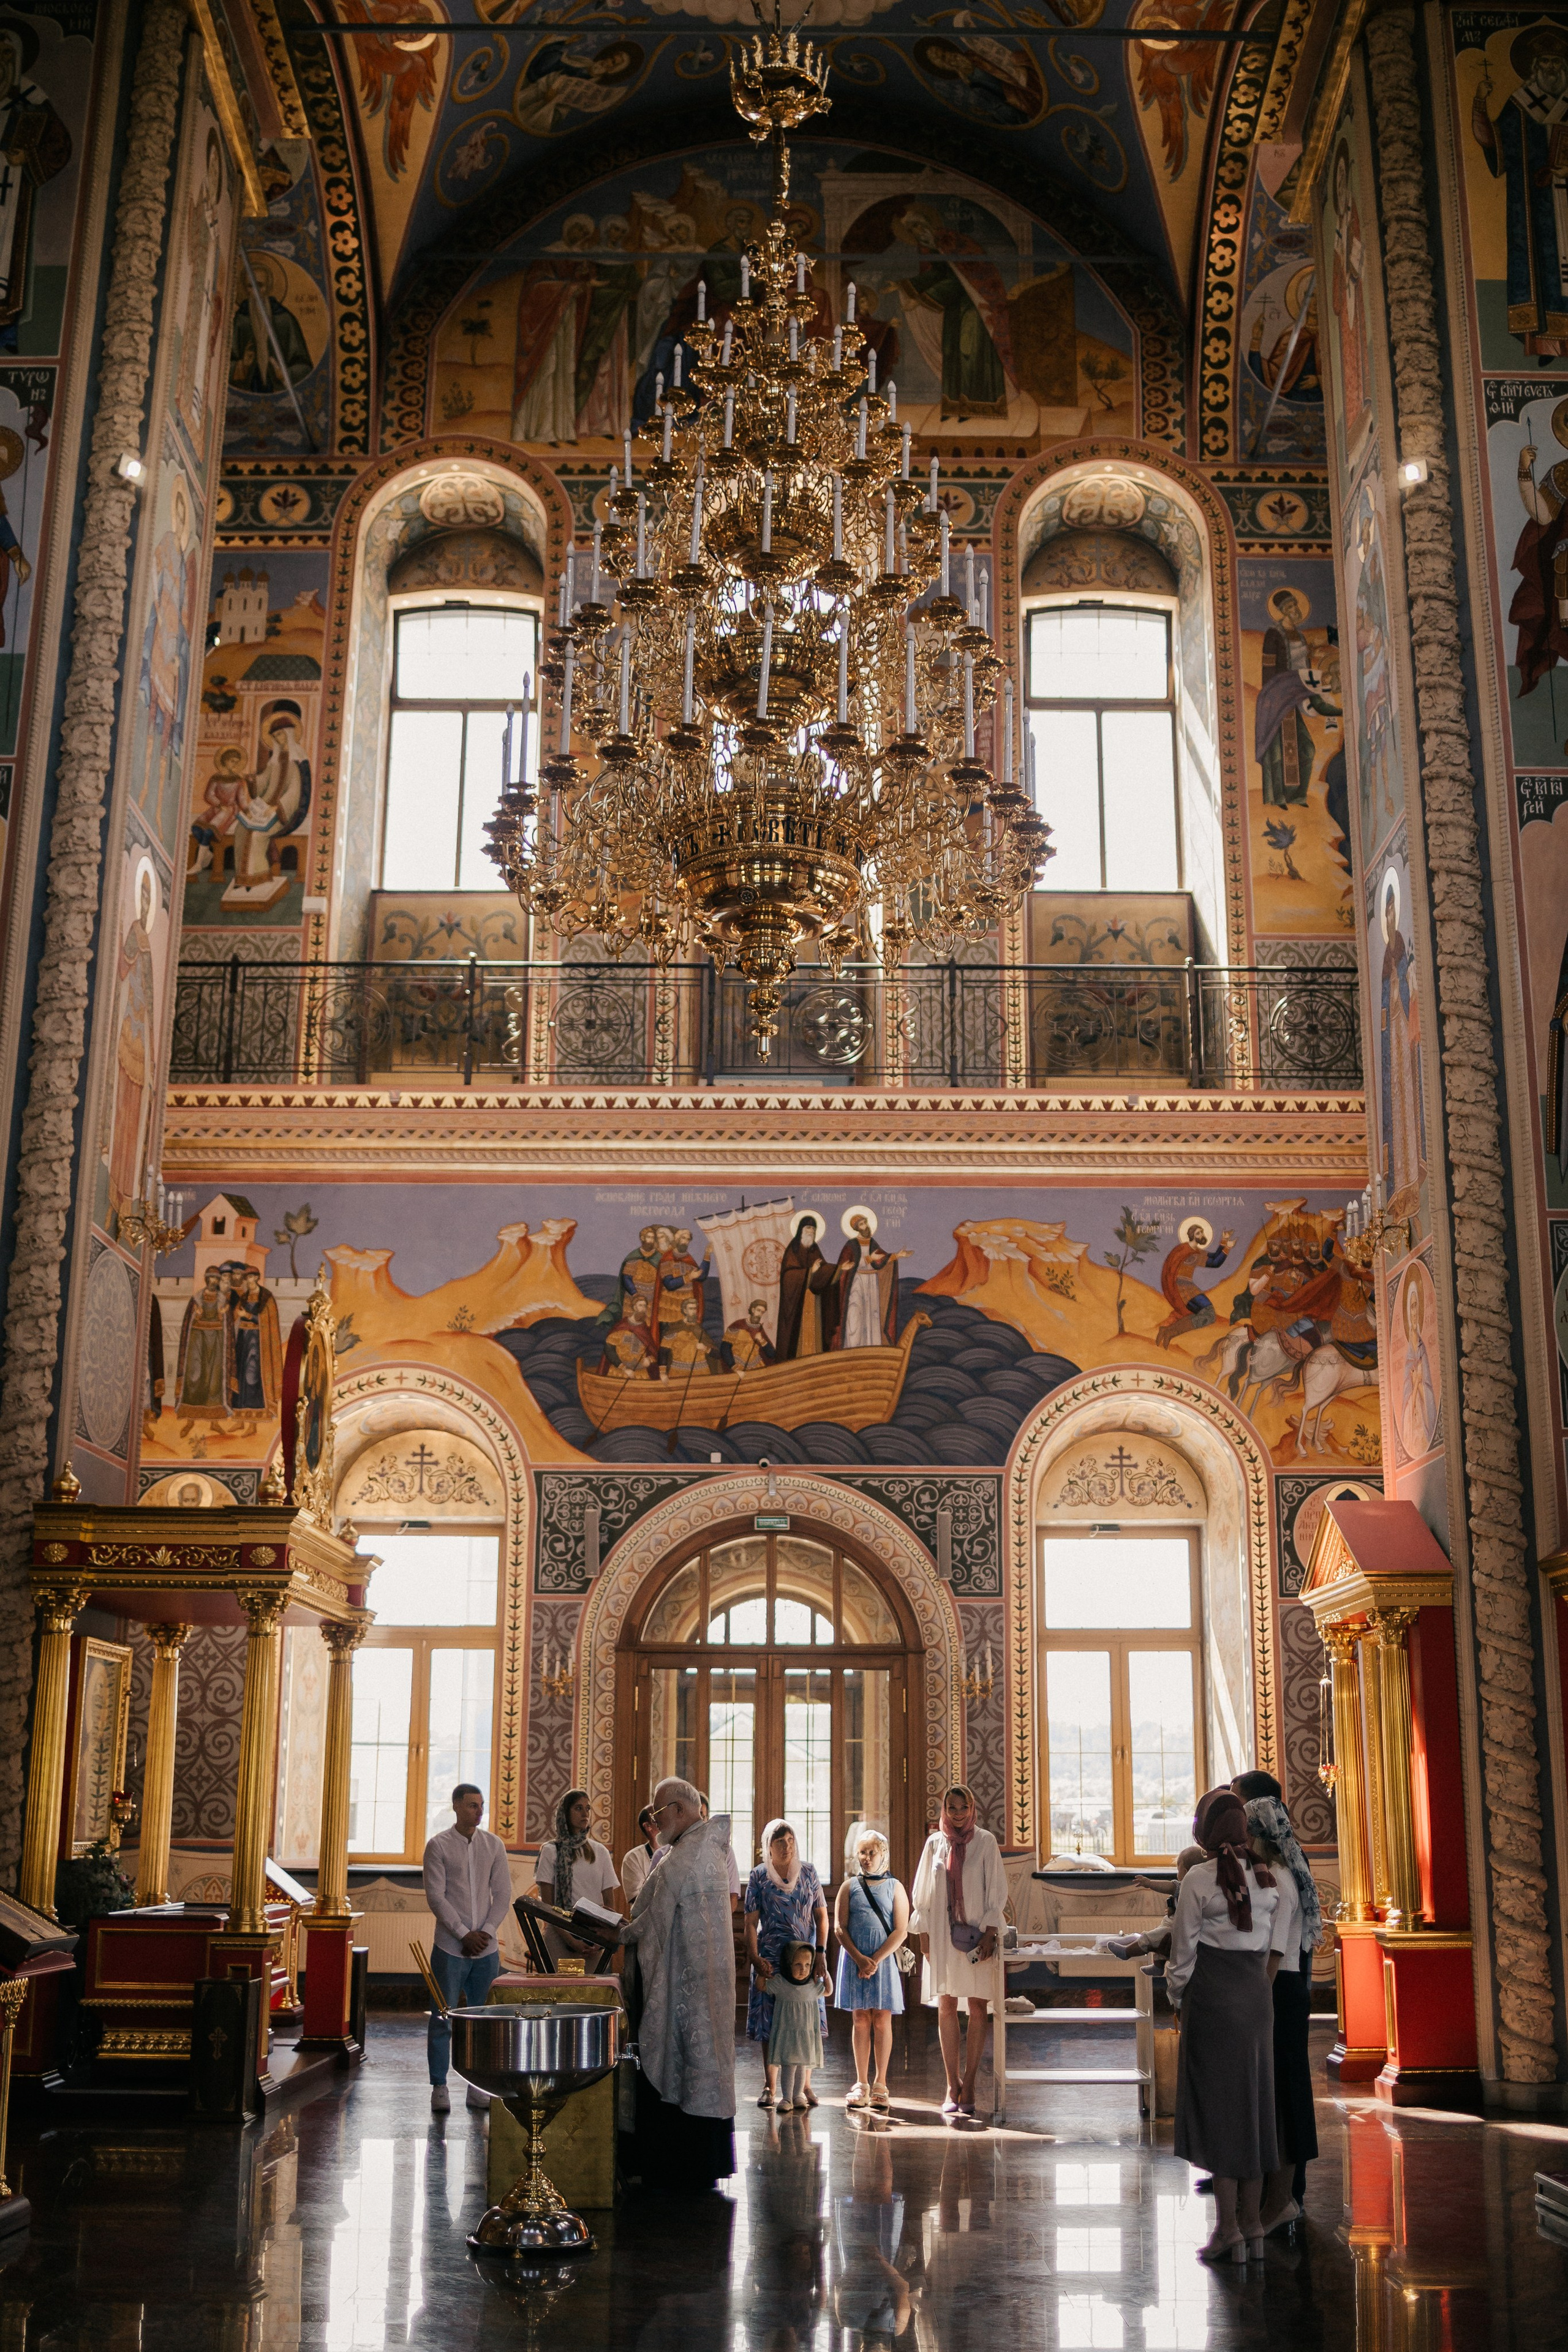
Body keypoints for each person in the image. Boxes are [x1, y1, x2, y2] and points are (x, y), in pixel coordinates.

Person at [1166, 1788, 1296, 2263]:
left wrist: (1178, 1998)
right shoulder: (1267, 1877)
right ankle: (1254, 2224)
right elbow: (1264, 1946)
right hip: (1257, 1999)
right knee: (1257, 2109)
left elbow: (1183, 1956)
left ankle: (1226, 2230)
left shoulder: (1199, 1879)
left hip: (1214, 1998)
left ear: (1203, 1829)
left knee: (1221, 2113)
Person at [622, 1776, 737, 2190]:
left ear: (680, 1810)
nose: (654, 1822)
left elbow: (645, 1922)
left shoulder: (686, 1856)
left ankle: (675, 2166)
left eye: (658, 1812)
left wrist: (618, 1932)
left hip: (685, 1987)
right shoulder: (701, 1849)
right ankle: (702, 2164)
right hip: (706, 1985)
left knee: (680, 2063)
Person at [1235, 1771, 1322, 2230]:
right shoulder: (1275, 1874)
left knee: (1286, 2096)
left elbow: (1274, 1954)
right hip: (1280, 1990)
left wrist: (1253, 2001)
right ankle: (1277, 2194)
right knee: (1276, 2094)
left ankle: (1284, 2198)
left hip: (1281, 1993)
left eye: (1246, 1830)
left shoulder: (1281, 1881)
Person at [909, 1784, 1007, 2119]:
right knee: (947, 2004)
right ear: (945, 1810)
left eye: (963, 1807)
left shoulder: (985, 1842)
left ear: (972, 1807)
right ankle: (952, 2084)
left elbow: (996, 1892)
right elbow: (921, 1894)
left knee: (978, 2006)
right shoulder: (934, 1843)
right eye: (952, 1808)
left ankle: (972, 2082)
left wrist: (991, 1935)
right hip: (941, 1936)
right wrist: (923, 1938)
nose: (958, 1814)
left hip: (977, 1937)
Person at [421, 1781, 513, 2113]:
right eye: (473, 1805)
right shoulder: (438, 1846)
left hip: (485, 1951)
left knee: (483, 2019)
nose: (480, 1811)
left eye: (482, 1805)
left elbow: (502, 1894)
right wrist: (463, 1933)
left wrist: (486, 1932)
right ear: (457, 1806)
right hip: (449, 1947)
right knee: (443, 2017)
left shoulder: (494, 1845)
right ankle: (439, 2085)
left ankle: (479, 2086)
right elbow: (436, 1897)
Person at [745, 1819, 829, 2108]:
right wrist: (756, 1959)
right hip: (770, 1957)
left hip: (804, 1959)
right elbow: (750, 1923)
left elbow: (821, 1916)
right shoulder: (758, 1877)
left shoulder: (808, 1872)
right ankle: (770, 2086)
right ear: (767, 1847)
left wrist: (821, 1953)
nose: (786, 1847)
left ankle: (804, 2087)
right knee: (770, 2023)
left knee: (806, 2022)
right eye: (779, 1842)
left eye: (790, 1840)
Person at [834, 1822, 909, 2112]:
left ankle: (881, 2083)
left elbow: (901, 1930)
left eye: (872, 1852)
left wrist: (875, 1960)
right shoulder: (848, 1886)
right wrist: (859, 1959)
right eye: (862, 1852)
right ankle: (861, 2083)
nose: (866, 1857)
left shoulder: (895, 1887)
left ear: (883, 1854)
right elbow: (840, 1928)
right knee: (860, 2019)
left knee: (882, 2019)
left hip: (882, 1961)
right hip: (855, 1960)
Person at [532, 1787, 620, 1964]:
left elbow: (610, 1903)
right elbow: (548, 1905)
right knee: (560, 1990)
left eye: (588, 1808)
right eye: (578, 1808)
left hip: (594, 1937)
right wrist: (571, 1940)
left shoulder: (600, 1852)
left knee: (592, 1990)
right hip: (559, 1935)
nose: (585, 1813)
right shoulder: (551, 1851)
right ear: (565, 1813)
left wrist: (600, 1939)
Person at [766, 1940, 825, 2113]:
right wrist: (763, 1972)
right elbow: (763, 1986)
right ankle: (786, 2097)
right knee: (788, 2066)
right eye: (798, 1964)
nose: (803, 1969)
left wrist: (824, 1973)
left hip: (805, 2034)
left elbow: (828, 1990)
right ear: (788, 1964)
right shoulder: (781, 1983)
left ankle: (798, 2095)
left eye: (807, 1965)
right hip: (787, 2034)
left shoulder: (812, 1985)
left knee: (801, 2065)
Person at [620, 1803, 662, 1907]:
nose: (664, 1819)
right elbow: (637, 1899)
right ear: (648, 1826)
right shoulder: (633, 1858)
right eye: (658, 1815)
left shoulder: (676, 1851)